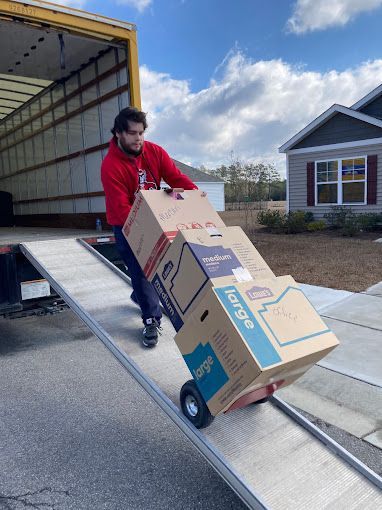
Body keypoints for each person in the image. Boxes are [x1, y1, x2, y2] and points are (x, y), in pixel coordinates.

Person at [101, 107, 198, 348]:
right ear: (119, 134)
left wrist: (196, 196)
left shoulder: (154, 152)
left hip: (154, 217)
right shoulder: (110, 165)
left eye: (141, 133)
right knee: (141, 270)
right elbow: (123, 209)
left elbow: (176, 178)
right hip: (126, 226)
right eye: (132, 133)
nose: (138, 139)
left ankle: (140, 295)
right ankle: (151, 320)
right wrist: (151, 230)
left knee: (159, 269)